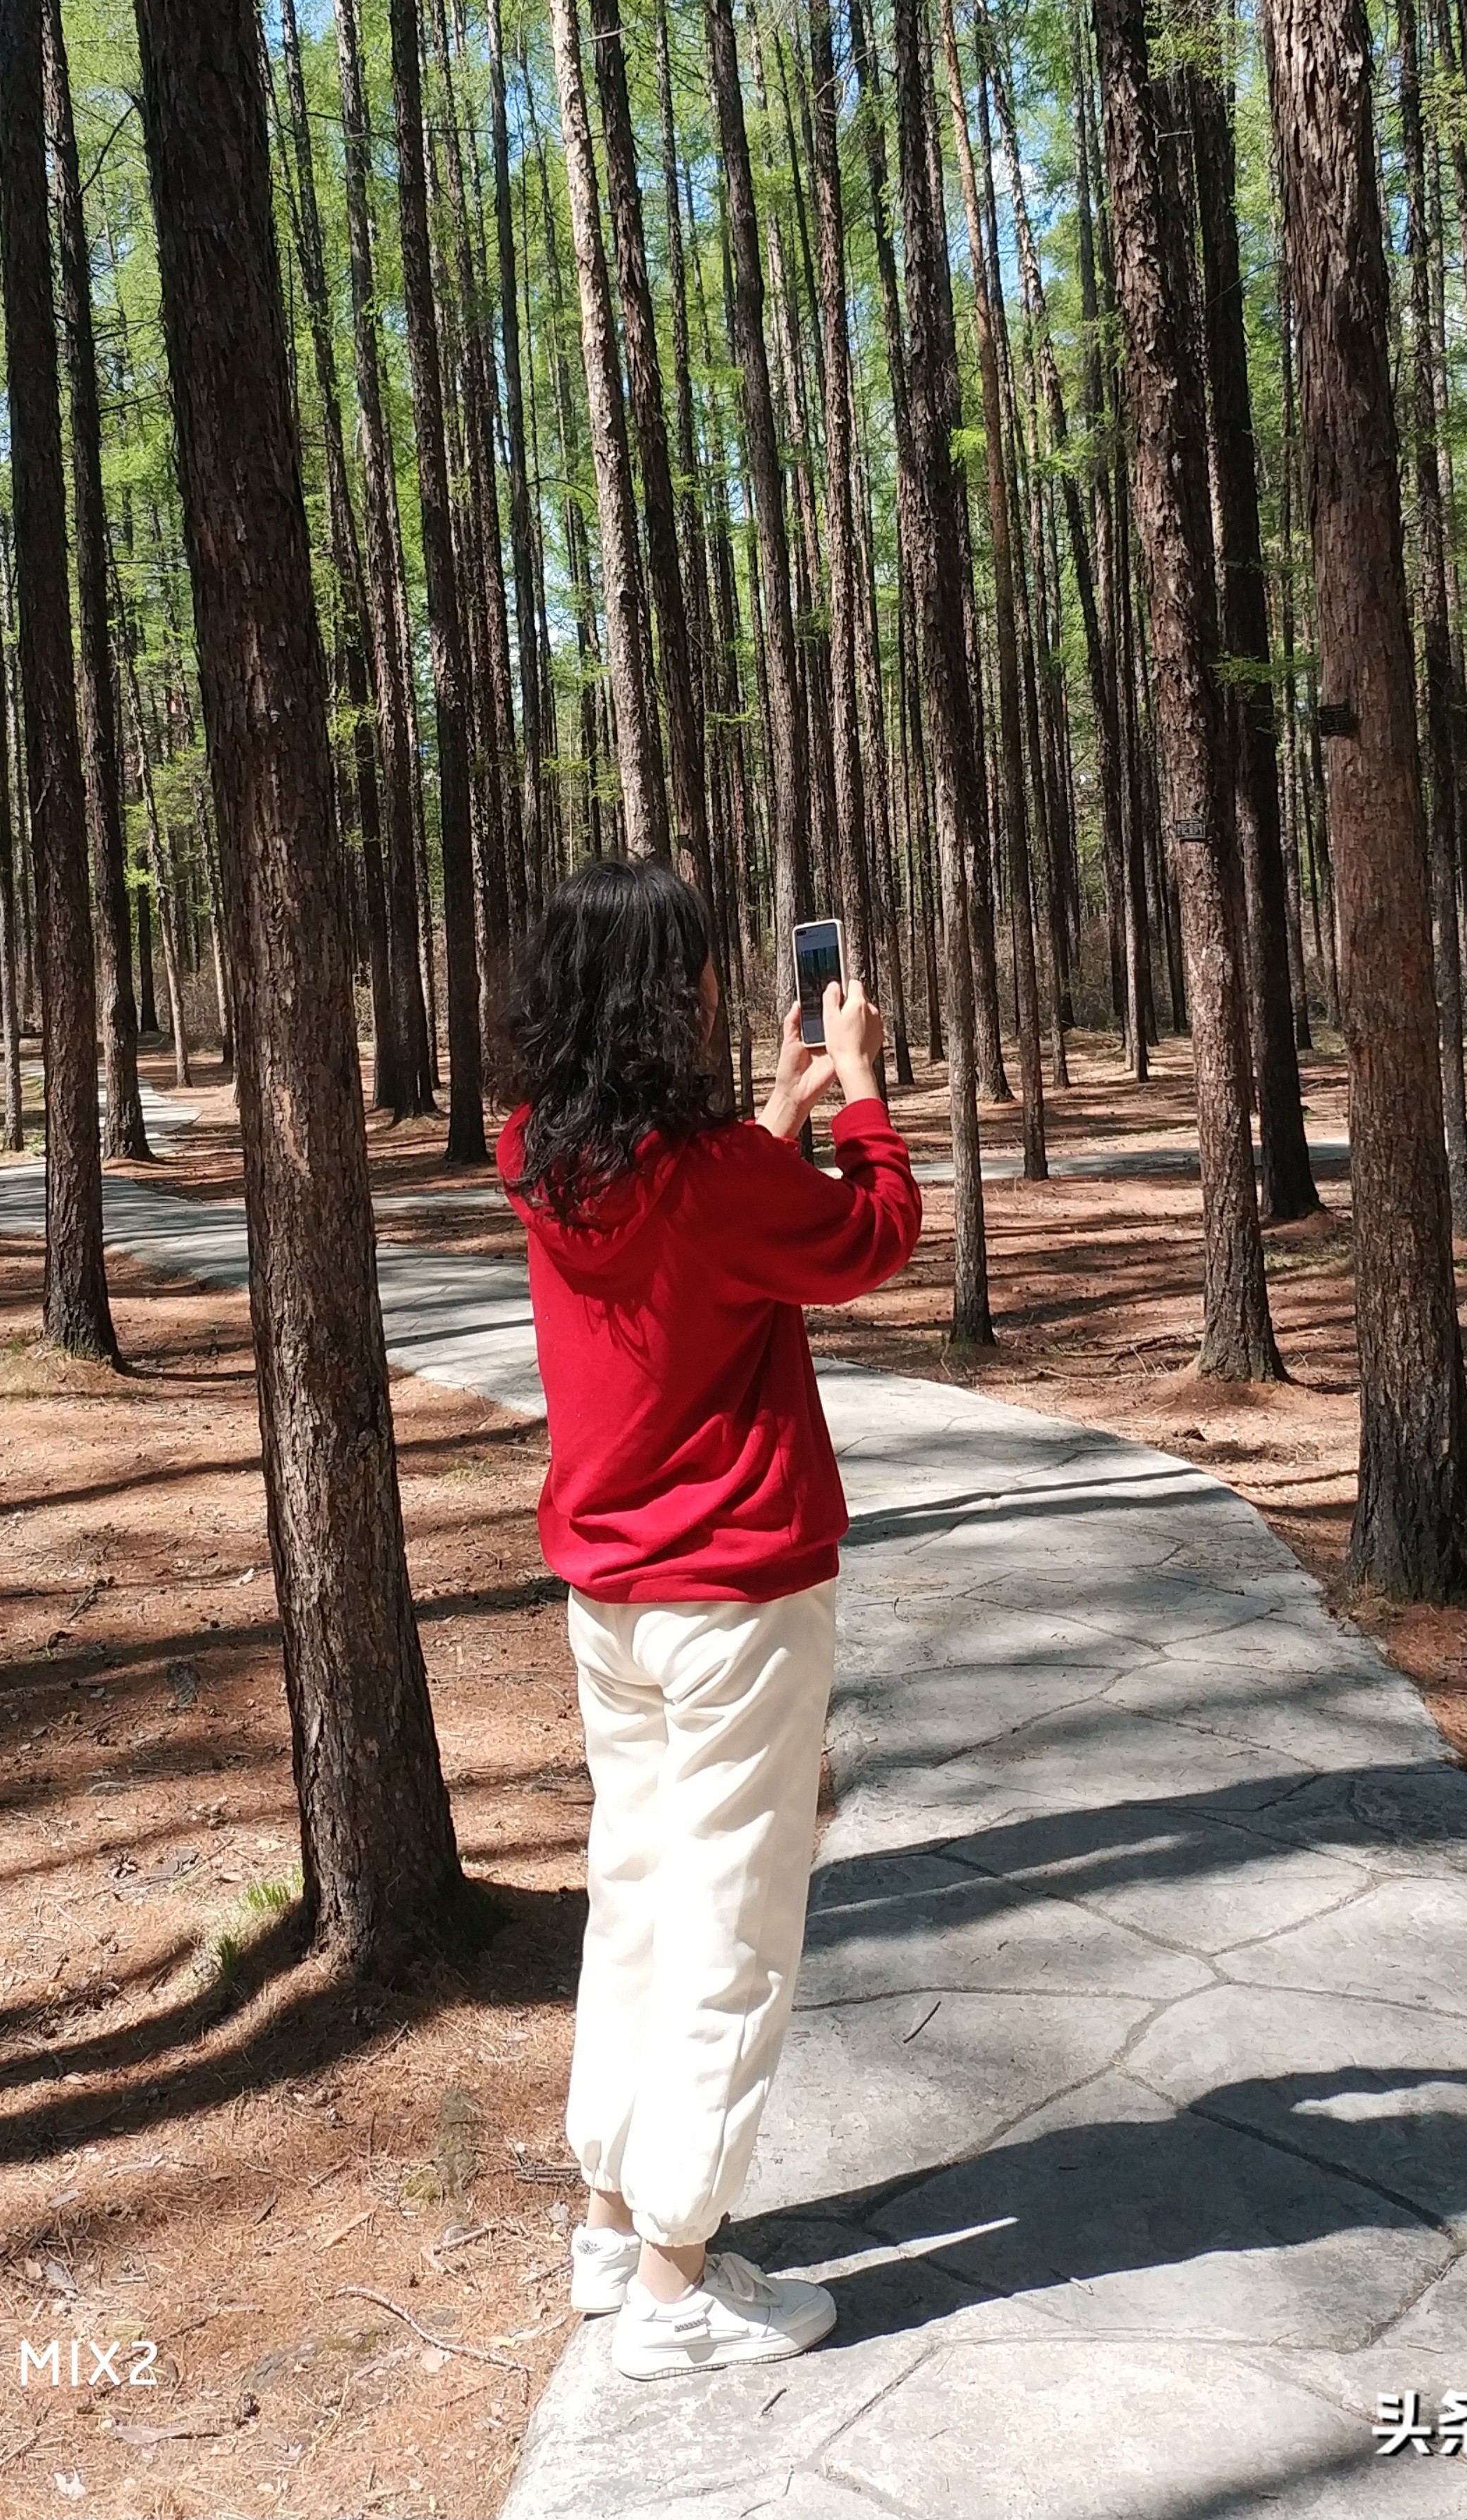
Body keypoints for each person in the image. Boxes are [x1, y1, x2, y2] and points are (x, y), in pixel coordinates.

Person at [499, 856, 921, 2379]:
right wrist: (859, 1092)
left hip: (609, 1595)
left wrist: (776, 1112)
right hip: (734, 1595)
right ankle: (678, 2285)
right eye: (690, 970)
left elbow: (697, 1216)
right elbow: (874, 1236)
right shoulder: (719, 1182)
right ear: (662, 997)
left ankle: (612, 2220)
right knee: (734, 1925)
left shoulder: (538, 1153)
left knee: (638, 1895)